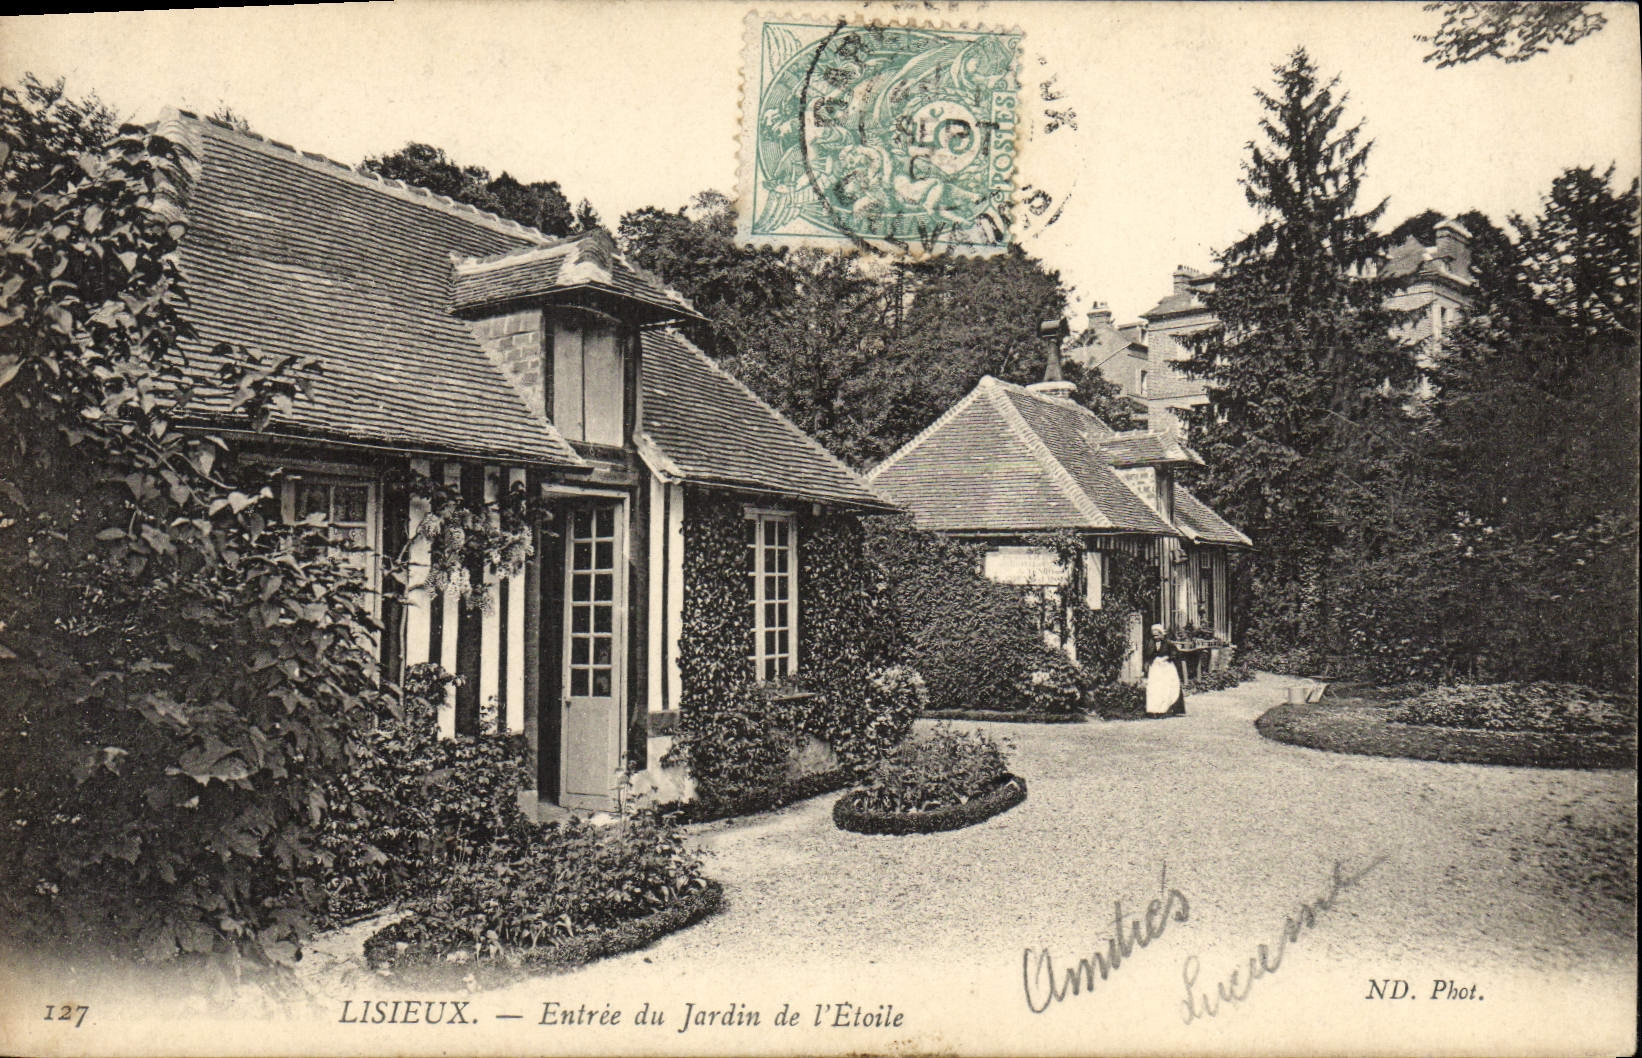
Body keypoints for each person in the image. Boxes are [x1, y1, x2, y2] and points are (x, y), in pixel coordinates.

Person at [1144, 624, 1186, 717]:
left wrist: (1167, 657)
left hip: (1166, 668)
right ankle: (1153, 710)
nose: (1156, 637)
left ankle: (1165, 709)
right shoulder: (1150, 643)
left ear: (1161, 634)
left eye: (1157, 635)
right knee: (1154, 688)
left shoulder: (1168, 643)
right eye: (1154, 635)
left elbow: (1175, 654)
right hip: (1155, 668)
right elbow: (1147, 655)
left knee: (1167, 687)